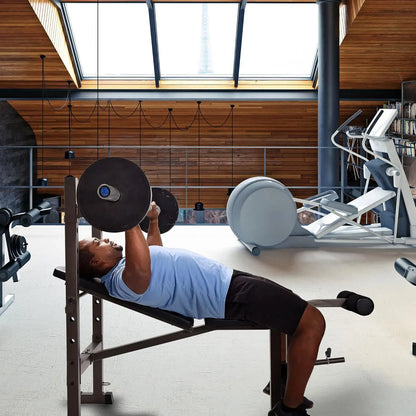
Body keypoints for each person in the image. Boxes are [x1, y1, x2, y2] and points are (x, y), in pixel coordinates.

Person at [79, 202, 325, 416]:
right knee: (312, 322)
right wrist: (129, 218)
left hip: (228, 282)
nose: (106, 239)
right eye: (98, 242)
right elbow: (142, 270)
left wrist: (152, 222)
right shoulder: (122, 281)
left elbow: (152, 253)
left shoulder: (124, 267)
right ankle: (289, 410)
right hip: (227, 294)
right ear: (97, 262)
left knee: (293, 313)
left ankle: (285, 383)